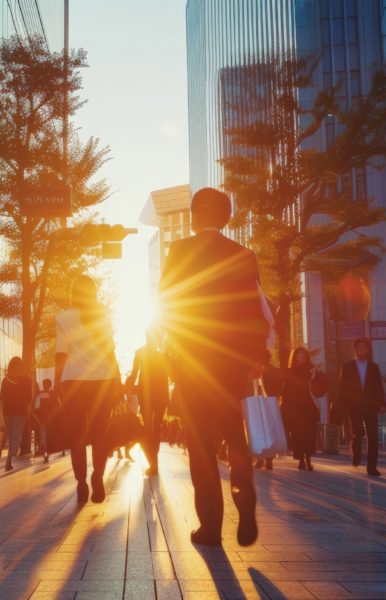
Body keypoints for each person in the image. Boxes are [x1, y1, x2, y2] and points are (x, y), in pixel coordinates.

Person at [158, 187, 269, 548]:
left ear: (193, 217)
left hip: (193, 365)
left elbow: (166, 305)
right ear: (226, 218)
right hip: (232, 366)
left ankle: (210, 528)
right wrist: (255, 358)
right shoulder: (243, 255)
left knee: (201, 449)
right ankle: (245, 497)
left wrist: (173, 351)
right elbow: (256, 312)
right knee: (236, 438)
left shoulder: (179, 252)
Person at [55, 275, 121, 504]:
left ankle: (81, 482)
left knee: (77, 437)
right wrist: (118, 379)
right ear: (93, 293)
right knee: (100, 434)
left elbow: (61, 353)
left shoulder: (63, 318)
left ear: (74, 293)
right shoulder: (102, 317)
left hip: (73, 382)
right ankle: (98, 476)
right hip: (102, 380)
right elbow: (109, 351)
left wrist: (57, 382)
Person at [125, 328, 170, 475]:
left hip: (146, 395)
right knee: (156, 427)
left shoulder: (140, 353)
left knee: (148, 428)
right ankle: (154, 461)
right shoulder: (162, 356)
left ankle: (153, 462)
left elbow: (134, 374)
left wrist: (128, 385)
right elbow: (169, 376)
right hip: (159, 395)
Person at [338, 338, 385, 477]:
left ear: (367, 350)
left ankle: (372, 467)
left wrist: (382, 403)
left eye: (363, 348)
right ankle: (356, 451)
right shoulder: (348, 366)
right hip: (354, 406)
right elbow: (342, 387)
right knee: (358, 432)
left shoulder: (373, 367)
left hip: (371, 406)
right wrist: (341, 406)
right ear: (355, 350)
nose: (361, 351)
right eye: (358, 348)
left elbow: (379, 386)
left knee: (373, 436)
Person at [283, 348, 318, 471]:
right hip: (295, 408)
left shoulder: (312, 370)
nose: (302, 357)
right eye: (299, 355)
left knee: (309, 433)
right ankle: (301, 460)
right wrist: (285, 407)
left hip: (308, 406)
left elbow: (318, 386)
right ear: (295, 357)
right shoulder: (289, 371)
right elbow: (286, 391)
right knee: (298, 434)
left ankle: (308, 459)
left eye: (304, 354)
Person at [1, 356, 33, 471]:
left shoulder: (5, 380)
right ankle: (9, 458)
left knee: (11, 435)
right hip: (21, 412)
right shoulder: (26, 380)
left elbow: (2, 397)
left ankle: (10, 457)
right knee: (16, 436)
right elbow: (29, 398)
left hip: (8, 411)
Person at [255, 352, 284, 470]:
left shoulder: (254, 371)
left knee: (262, 432)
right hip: (265, 404)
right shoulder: (254, 371)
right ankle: (266, 459)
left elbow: (277, 389)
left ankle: (264, 459)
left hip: (261, 405)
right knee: (267, 432)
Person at [33, 379, 59, 462]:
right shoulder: (53, 394)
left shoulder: (40, 394)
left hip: (43, 418)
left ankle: (45, 453)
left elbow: (36, 407)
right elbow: (57, 405)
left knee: (43, 436)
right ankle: (47, 452)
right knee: (48, 436)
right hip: (50, 418)